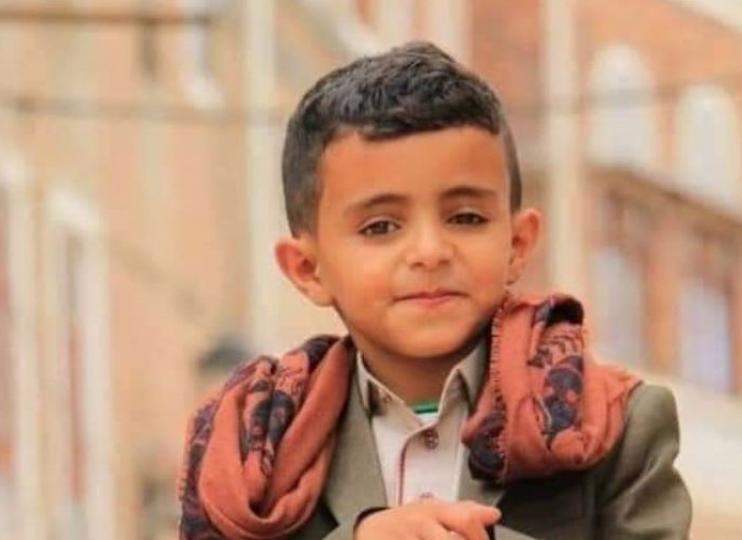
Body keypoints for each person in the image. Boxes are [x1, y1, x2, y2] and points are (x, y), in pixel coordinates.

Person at [177, 41, 692, 540]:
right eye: (380, 226)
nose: (429, 251)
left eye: (465, 218)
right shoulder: (254, 448)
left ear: (517, 244)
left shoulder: (612, 424)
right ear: (308, 269)